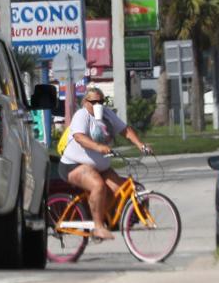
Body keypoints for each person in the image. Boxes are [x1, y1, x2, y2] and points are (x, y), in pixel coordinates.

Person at [58, 87, 151, 241]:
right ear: (85, 102)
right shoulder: (82, 115)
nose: (98, 105)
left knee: (119, 188)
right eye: (94, 102)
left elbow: (125, 130)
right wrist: (99, 147)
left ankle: (101, 217)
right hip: (73, 165)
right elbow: (80, 138)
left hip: (99, 167)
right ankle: (98, 227)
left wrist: (141, 145)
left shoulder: (107, 114)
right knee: (98, 186)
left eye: (101, 101)